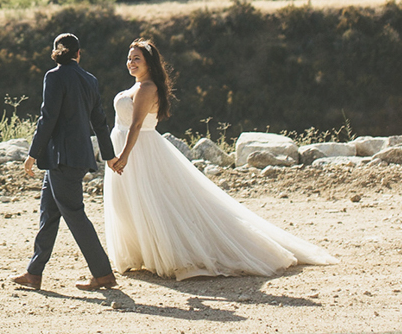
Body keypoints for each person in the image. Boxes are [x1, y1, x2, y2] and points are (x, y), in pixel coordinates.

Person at [104, 38, 336, 280]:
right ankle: (141, 252)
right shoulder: (138, 86)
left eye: (136, 59)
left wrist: (124, 155)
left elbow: (138, 124)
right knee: (134, 201)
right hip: (135, 147)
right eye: (129, 58)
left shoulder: (146, 88)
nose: (130, 62)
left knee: (153, 200)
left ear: (149, 63)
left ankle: (172, 253)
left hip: (140, 151)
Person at [12, 32, 118, 292]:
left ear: (56, 52)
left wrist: (33, 153)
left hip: (61, 158)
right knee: (49, 214)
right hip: (74, 158)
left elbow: (47, 117)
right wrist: (109, 155)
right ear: (78, 54)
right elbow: (100, 122)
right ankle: (34, 273)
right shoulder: (90, 80)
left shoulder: (54, 76)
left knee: (74, 214)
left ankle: (103, 274)